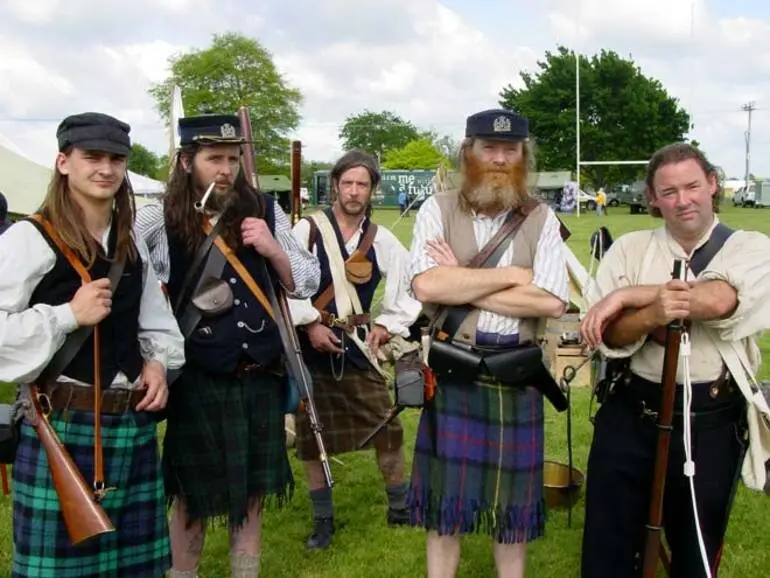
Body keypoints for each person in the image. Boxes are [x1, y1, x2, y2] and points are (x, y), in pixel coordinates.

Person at [134, 112, 320, 578]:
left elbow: (308, 280)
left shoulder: (264, 208)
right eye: (214, 158)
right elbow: (128, 281)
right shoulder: (157, 217)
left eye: (233, 159)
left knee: (252, 495)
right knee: (191, 497)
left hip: (258, 375)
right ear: (185, 162)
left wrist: (273, 249)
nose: (226, 169)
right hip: (196, 377)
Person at [0, 112, 185, 577]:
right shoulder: (29, 239)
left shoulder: (130, 245)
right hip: (61, 427)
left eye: (116, 159)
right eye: (92, 157)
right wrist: (67, 316)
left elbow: (157, 324)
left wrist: (158, 365)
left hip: (130, 427)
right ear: (64, 162)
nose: (105, 168)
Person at [579, 142, 770, 577]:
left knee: (696, 549)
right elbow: (607, 331)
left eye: (692, 186)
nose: (683, 200)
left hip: (712, 418)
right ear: (652, 198)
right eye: (669, 192)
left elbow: (720, 299)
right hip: (631, 410)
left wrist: (629, 297)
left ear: (712, 185)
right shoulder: (628, 248)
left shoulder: (752, 247)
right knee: (608, 547)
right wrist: (651, 315)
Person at [405, 108, 570, 578]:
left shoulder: (541, 217)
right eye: (489, 148)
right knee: (442, 512)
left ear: (523, 156)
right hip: (452, 371)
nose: (500, 159)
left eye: (510, 150)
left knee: (511, 518)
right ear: (468, 151)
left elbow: (552, 301)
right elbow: (428, 288)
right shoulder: (436, 209)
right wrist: (515, 276)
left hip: (515, 375)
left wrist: (462, 274)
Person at [288, 149, 422, 549]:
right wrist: (309, 323)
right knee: (314, 438)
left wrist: (385, 324)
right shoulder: (307, 230)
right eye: (347, 183)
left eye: (362, 184)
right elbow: (285, 284)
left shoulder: (381, 239)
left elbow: (410, 285)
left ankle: (399, 508)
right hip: (310, 347)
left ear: (372, 190)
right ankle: (323, 521)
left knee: (388, 429)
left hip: (357, 348)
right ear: (335, 185)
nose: (353, 191)